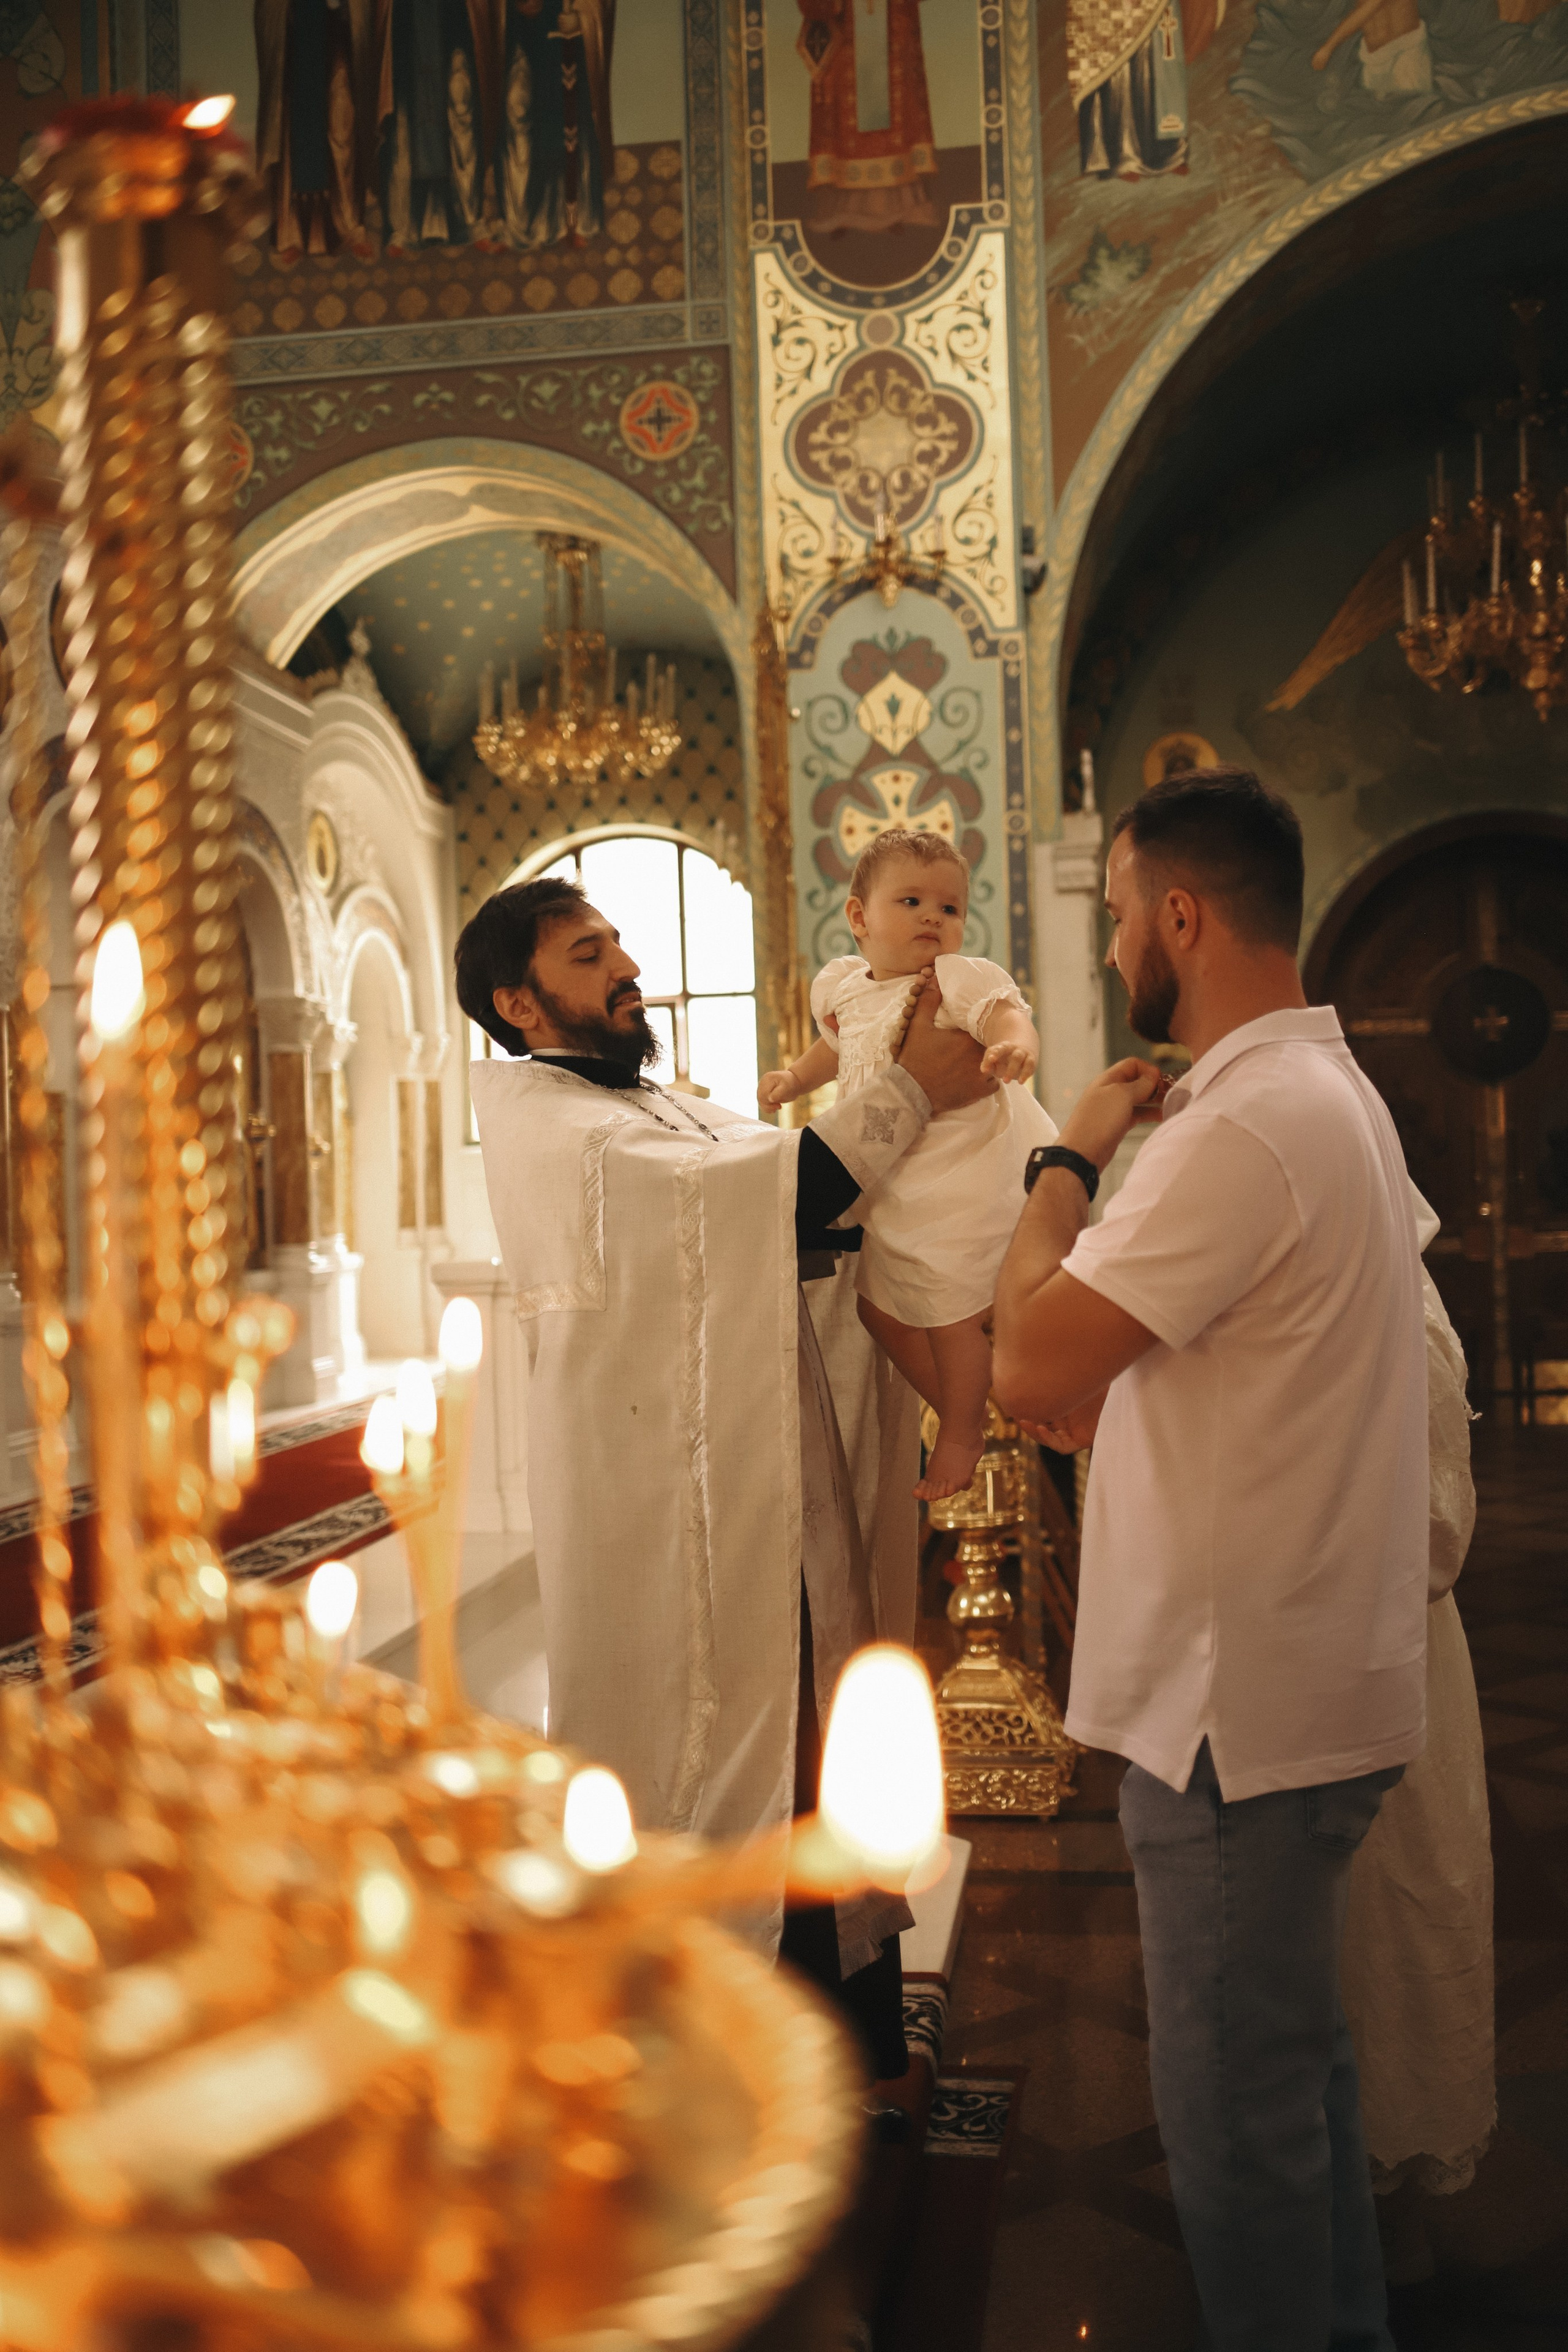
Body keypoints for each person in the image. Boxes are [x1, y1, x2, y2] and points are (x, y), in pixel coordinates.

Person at [993, 767, 1429, 2352]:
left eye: (1117, 912)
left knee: (1238, 2127)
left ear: (1178, 914)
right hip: (1295, 1679)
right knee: (1293, 2084)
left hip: (1233, 1718)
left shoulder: (1243, 1124)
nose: (1114, 944)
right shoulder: (1330, 1096)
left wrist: (1063, 1161)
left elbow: (1025, 1363)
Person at [454, 873, 997, 2081]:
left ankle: (839, 2050)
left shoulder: (656, 1106)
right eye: (588, 954)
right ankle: (724, 2069)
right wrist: (912, 1088)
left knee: (809, 1739)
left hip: (759, 1484)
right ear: (517, 1002)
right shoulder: (552, 1125)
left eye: (617, 943)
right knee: (716, 1763)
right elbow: (789, 1190)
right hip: (667, 1523)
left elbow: (802, 1208)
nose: (626, 967)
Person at [760, 830, 1056, 1501]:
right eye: (912, 901)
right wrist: (794, 1079)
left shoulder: (953, 979)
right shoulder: (846, 989)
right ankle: (967, 1404)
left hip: (961, 1175)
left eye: (949, 908)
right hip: (895, 1184)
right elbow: (835, 1049)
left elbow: (1006, 1015)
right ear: (859, 917)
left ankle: (962, 1430)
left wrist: (1015, 1046)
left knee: (950, 1316)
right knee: (878, 1311)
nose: (932, 918)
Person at [1340, 1263, 1495, 2276]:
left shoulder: (1401, 1297)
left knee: (1390, 1914)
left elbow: (1436, 1535)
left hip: (1381, 1655)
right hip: (1306, 1655)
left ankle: (1384, 2186)